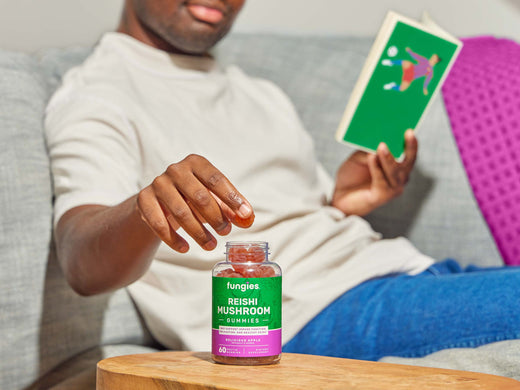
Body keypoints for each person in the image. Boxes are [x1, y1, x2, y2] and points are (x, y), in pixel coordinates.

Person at [44, 0, 520, 361]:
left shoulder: (261, 93)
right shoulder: (97, 96)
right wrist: (147, 209)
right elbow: (82, 261)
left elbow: (286, 224)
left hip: (402, 273)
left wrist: (340, 203)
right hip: (301, 318)